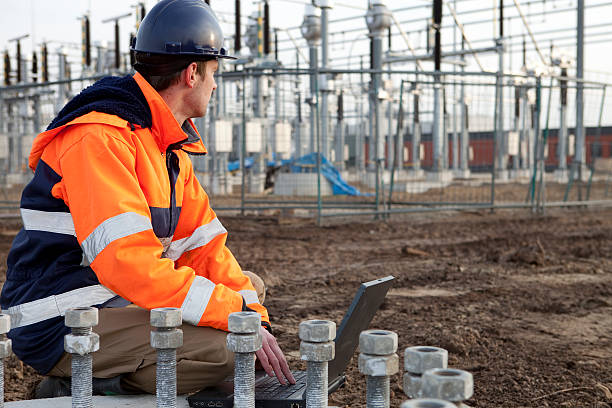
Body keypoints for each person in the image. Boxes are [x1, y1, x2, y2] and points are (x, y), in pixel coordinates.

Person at [1, 0, 295, 396]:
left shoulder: (167, 144)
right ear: (192, 73)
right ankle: (77, 384)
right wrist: (238, 326)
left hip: (113, 300)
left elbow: (206, 249)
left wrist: (252, 318)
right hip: (61, 318)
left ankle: (116, 370)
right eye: (214, 73)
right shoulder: (100, 138)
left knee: (249, 293)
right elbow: (129, 263)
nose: (215, 84)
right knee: (229, 350)